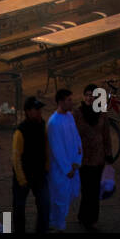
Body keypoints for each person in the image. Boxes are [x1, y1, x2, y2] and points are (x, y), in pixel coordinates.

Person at [73, 85, 113, 230]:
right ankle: (84, 217)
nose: (90, 98)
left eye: (93, 95)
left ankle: (91, 219)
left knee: (95, 191)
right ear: (84, 97)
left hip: (98, 158)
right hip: (83, 159)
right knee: (86, 190)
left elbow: (106, 135)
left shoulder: (102, 113)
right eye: (87, 95)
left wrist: (109, 155)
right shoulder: (77, 113)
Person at [11, 96, 50, 234]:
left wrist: (47, 167)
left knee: (45, 206)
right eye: (36, 109)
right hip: (24, 176)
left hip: (40, 174)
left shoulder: (42, 126)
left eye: (40, 109)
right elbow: (16, 158)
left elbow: (46, 147)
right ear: (28, 111)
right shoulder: (20, 132)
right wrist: (22, 180)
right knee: (19, 209)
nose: (40, 112)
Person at [46, 88, 83, 231]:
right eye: (69, 100)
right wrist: (67, 168)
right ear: (60, 102)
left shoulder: (69, 117)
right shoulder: (54, 122)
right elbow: (57, 149)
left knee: (70, 195)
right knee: (59, 199)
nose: (71, 103)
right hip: (61, 170)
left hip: (72, 167)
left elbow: (76, 139)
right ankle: (56, 224)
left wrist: (77, 160)